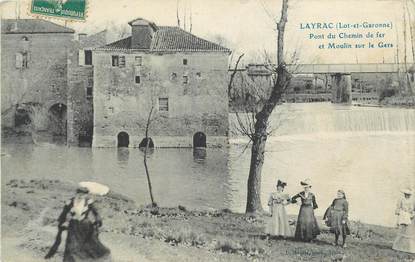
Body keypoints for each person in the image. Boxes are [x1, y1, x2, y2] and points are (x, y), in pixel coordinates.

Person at [46, 186, 111, 261]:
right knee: (71, 245)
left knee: (89, 243)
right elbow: (64, 213)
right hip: (73, 226)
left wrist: (98, 220)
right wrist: (62, 222)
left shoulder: (88, 201)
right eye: (80, 194)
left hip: (85, 226)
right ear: (76, 193)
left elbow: (95, 211)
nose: (81, 196)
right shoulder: (70, 202)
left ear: (86, 195)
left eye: (83, 194)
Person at [392, 188, 415, 254]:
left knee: (409, 231)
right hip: (403, 215)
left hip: (409, 216)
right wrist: (399, 213)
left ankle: (408, 248)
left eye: (409, 194)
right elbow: (398, 207)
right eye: (406, 194)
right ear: (404, 194)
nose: (407, 195)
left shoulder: (412, 201)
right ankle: (398, 247)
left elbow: (413, 209)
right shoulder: (401, 199)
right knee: (401, 230)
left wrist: (411, 213)